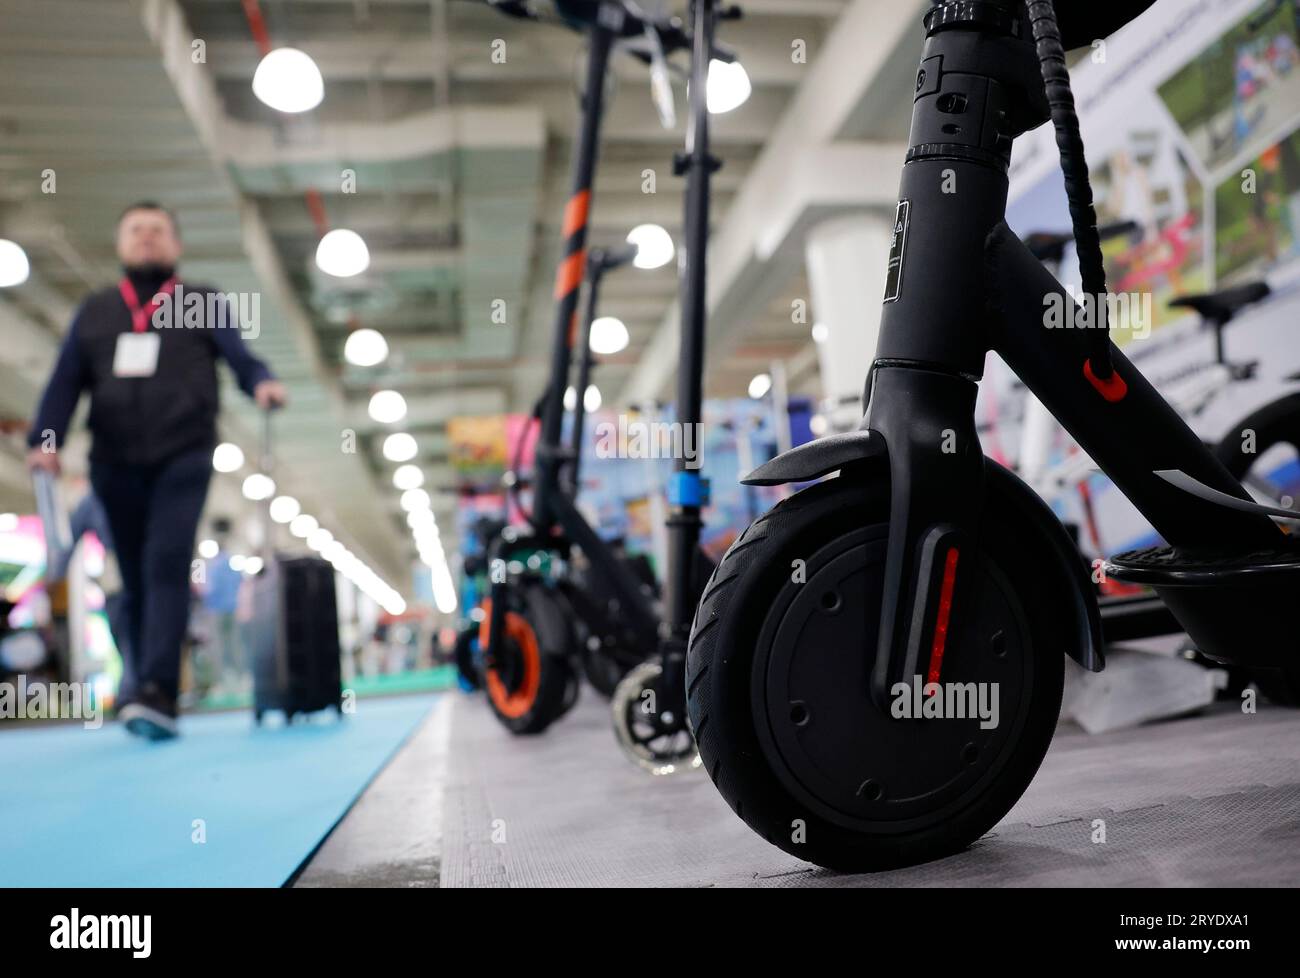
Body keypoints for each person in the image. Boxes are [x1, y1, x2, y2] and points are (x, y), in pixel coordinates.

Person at [25, 201, 287, 740]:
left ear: (176, 245)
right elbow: (64, 382)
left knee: (167, 563)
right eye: (136, 231)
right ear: (120, 244)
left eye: (157, 231)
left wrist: (261, 381)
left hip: (183, 456)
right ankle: (139, 684)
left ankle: (158, 693)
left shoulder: (200, 301)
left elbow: (239, 355)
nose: (147, 238)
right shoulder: (96, 310)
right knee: (135, 575)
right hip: (113, 463)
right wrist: (44, 441)